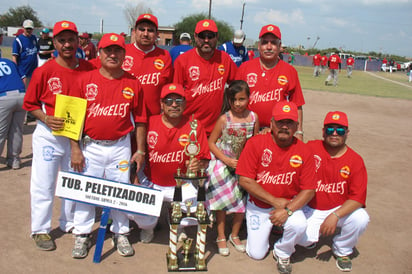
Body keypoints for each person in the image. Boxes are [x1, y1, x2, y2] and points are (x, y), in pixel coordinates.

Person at [69, 33, 147, 259]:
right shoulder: (84, 80)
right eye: (107, 50)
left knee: (121, 189)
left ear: (124, 54)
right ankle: (82, 233)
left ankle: (121, 232)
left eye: (117, 51)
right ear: (99, 52)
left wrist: (140, 150)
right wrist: (75, 148)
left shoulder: (132, 82)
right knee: (86, 190)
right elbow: (74, 119)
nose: (112, 55)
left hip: (120, 146)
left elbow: (140, 120)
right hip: (90, 145)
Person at [22, 20, 95, 251]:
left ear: (78, 41)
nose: (67, 44)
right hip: (50, 134)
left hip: (77, 135)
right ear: (54, 42)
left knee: (73, 181)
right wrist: (44, 118)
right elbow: (30, 104)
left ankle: (69, 222)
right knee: (44, 184)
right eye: (61, 40)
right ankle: (41, 229)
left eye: (71, 39)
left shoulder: (88, 68)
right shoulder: (44, 71)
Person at [236, 101, 316, 274]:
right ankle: (274, 228)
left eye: (289, 123)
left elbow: (309, 189)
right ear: (271, 123)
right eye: (280, 122)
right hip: (259, 205)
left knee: (299, 225)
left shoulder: (304, 150)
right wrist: (274, 201)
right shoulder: (256, 143)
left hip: (288, 205)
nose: (284, 127)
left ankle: (282, 251)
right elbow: (245, 180)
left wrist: (286, 210)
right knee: (256, 254)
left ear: (296, 126)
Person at [136, 83, 211, 242]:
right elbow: (138, 154)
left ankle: (177, 223)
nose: (174, 105)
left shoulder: (194, 125)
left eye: (179, 100)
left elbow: (204, 158)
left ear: (185, 103)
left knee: (193, 214)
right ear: (162, 104)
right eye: (169, 101)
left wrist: (199, 164)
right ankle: (149, 227)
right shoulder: (150, 123)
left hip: (181, 184)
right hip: (152, 183)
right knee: (142, 218)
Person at [298, 111, 369, 272]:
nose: (335, 133)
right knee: (302, 240)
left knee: (361, 218)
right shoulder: (311, 147)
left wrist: (335, 216)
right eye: (330, 129)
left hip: (338, 209)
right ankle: (313, 237)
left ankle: (342, 249)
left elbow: (358, 198)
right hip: (311, 208)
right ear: (323, 131)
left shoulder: (355, 160)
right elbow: (290, 150)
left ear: (347, 133)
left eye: (340, 130)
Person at [206, 80, 259, 256]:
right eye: (234, 99)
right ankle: (221, 236)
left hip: (244, 166)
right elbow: (211, 143)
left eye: (242, 99)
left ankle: (234, 234)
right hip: (224, 165)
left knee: (240, 202)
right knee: (222, 202)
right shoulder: (224, 119)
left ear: (249, 98)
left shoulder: (253, 118)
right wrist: (226, 160)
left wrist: (247, 161)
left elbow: (255, 142)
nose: (238, 104)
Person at [236, 24, 305, 140]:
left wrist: (299, 132)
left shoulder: (290, 71)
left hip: (277, 132)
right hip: (246, 129)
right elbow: (234, 100)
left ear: (279, 46)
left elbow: (297, 104)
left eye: (273, 43)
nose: (269, 47)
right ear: (259, 46)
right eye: (264, 42)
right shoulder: (245, 68)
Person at [173, 19, 237, 136]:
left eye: (210, 36)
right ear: (195, 37)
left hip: (216, 129)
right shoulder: (183, 61)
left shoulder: (225, 59)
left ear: (217, 37)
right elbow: (175, 96)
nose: (206, 40)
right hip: (188, 127)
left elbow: (238, 87)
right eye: (202, 36)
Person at [123, 13, 173, 117]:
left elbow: (169, 87)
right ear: (134, 31)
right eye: (142, 29)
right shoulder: (123, 52)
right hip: (125, 118)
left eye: (150, 30)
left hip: (153, 117)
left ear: (156, 34)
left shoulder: (164, 56)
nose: (145, 34)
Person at [0, 57, 26, 169]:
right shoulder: (9, 62)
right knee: (16, 130)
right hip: (21, 95)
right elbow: (23, 79)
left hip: (4, 98)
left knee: (1, 131)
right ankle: (14, 160)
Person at [12, 19, 39, 88]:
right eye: (27, 28)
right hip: (23, 71)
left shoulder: (34, 38)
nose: (29, 30)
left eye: (30, 28)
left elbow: (37, 52)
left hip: (33, 71)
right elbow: (14, 57)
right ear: (23, 28)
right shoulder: (18, 40)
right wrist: (17, 71)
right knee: (25, 92)